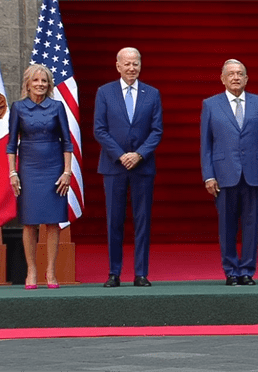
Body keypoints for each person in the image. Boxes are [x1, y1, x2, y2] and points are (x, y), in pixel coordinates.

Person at [201, 59, 258, 286]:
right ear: (222, 78)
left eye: (240, 73)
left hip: (254, 172)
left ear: (246, 79)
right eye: (231, 74)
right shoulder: (211, 105)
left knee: (252, 224)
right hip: (224, 174)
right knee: (227, 225)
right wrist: (209, 175)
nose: (235, 77)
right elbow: (206, 144)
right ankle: (231, 270)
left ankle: (247, 270)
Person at [94, 47, 163, 287]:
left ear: (141, 65)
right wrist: (121, 155)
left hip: (142, 167)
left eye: (136, 64)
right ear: (118, 66)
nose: (131, 68)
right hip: (114, 166)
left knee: (142, 220)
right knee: (115, 221)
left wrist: (139, 154)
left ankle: (141, 273)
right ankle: (114, 272)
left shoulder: (152, 94)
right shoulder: (105, 92)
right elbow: (99, 129)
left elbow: (157, 130)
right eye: (127, 64)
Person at [7, 64, 73, 290]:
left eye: (44, 81)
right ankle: (32, 270)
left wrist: (67, 172)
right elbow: (10, 145)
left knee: (53, 222)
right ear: (27, 83)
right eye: (36, 81)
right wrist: (12, 172)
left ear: (49, 84)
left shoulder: (57, 107)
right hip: (28, 169)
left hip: (54, 168)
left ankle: (51, 271)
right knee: (30, 222)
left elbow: (67, 142)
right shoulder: (18, 107)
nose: (40, 84)